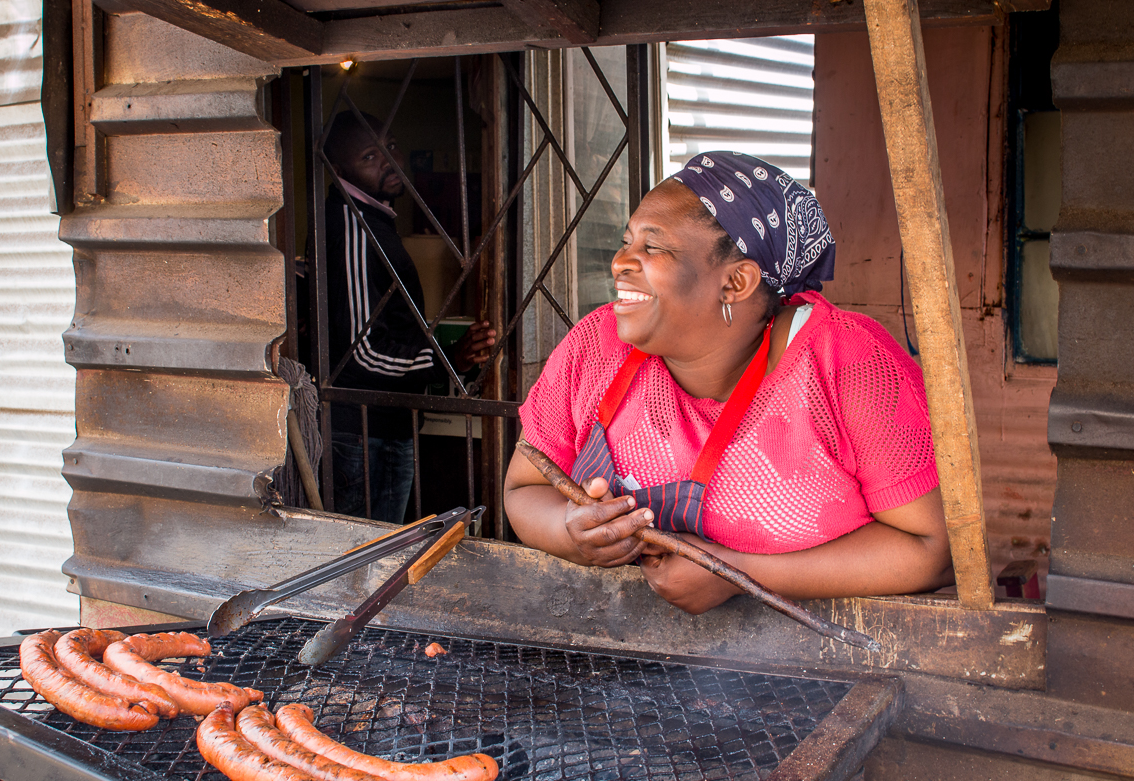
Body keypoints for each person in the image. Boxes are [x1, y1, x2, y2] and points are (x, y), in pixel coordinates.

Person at [504, 152, 953, 613]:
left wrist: (735, 574)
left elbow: (934, 551)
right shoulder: (596, 347)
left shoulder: (849, 363)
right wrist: (570, 531)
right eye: (626, 241)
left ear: (736, 281)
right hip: (624, 659)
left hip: (814, 668)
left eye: (653, 247)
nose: (620, 261)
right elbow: (523, 489)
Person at [324, 111, 495, 523]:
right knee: (368, 563)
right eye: (370, 156)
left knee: (384, 559)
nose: (389, 159)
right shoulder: (352, 223)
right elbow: (361, 352)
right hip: (365, 431)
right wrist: (445, 359)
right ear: (341, 169)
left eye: (391, 146)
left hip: (387, 425)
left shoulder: (377, 219)